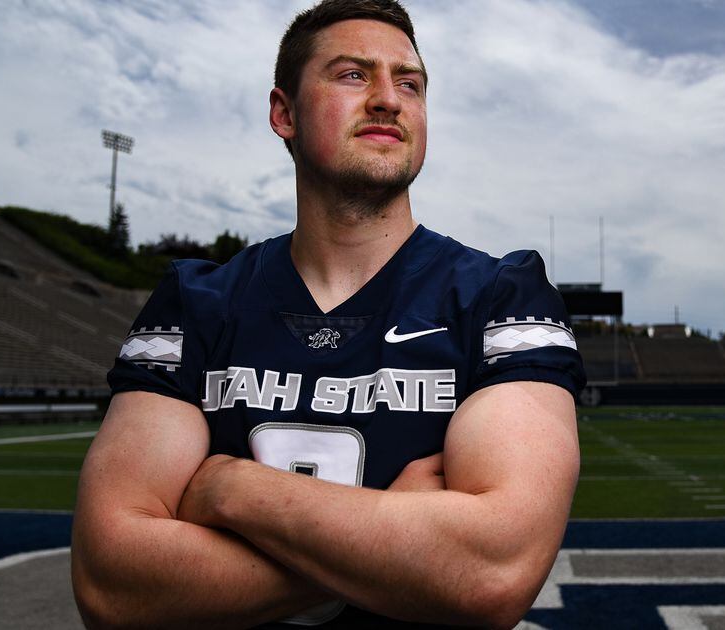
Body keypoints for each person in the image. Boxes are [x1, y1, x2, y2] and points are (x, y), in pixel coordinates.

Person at [70, 0, 585, 628]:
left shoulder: (500, 295)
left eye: (410, 83)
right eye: (352, 75)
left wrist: (232, 490)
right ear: (283, 113)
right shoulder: (197, 301)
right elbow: (111, 582)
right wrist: (394, 550)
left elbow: (493, 570)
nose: (388, 99)